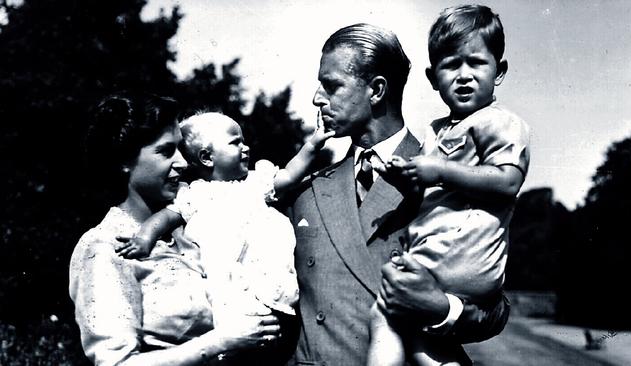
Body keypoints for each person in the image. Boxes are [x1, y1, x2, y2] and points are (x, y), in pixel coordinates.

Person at [288, 23, 511, 366]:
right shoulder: (306, 191)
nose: (317, 98)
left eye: (331, 86)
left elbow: (494, 308)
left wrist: (441, 308)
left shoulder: (453, 176)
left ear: (376, 90)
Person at [367, 5, 530, 366]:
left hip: (463, 256)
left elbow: (508, 181)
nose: (464, 76)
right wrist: (407, 179)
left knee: (385, 313)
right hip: (443, 256)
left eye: (476, 63)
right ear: (432, 77)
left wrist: (439, 170)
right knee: (415, 334)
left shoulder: (501, 123)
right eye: (451, 65)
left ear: (499, 71)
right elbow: (424, 196)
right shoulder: (436, 131)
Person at [69, 94, 282, 365]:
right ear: (124, 160)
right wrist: (222, 341)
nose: (183, 162)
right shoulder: (104, 246)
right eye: (166, 151)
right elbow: (117, 363)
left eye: (182, 149)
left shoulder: (196, 223)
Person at [115, 112, 333, 322]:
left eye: (243, 141)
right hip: (228, 292)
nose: (245, 147)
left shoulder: (254, 184)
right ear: (207, 157)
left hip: (269, 283)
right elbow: (164, 218)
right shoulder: (194, 194)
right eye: (235, 142)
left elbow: (289, 175)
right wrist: (144, 238)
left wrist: (313, 144)